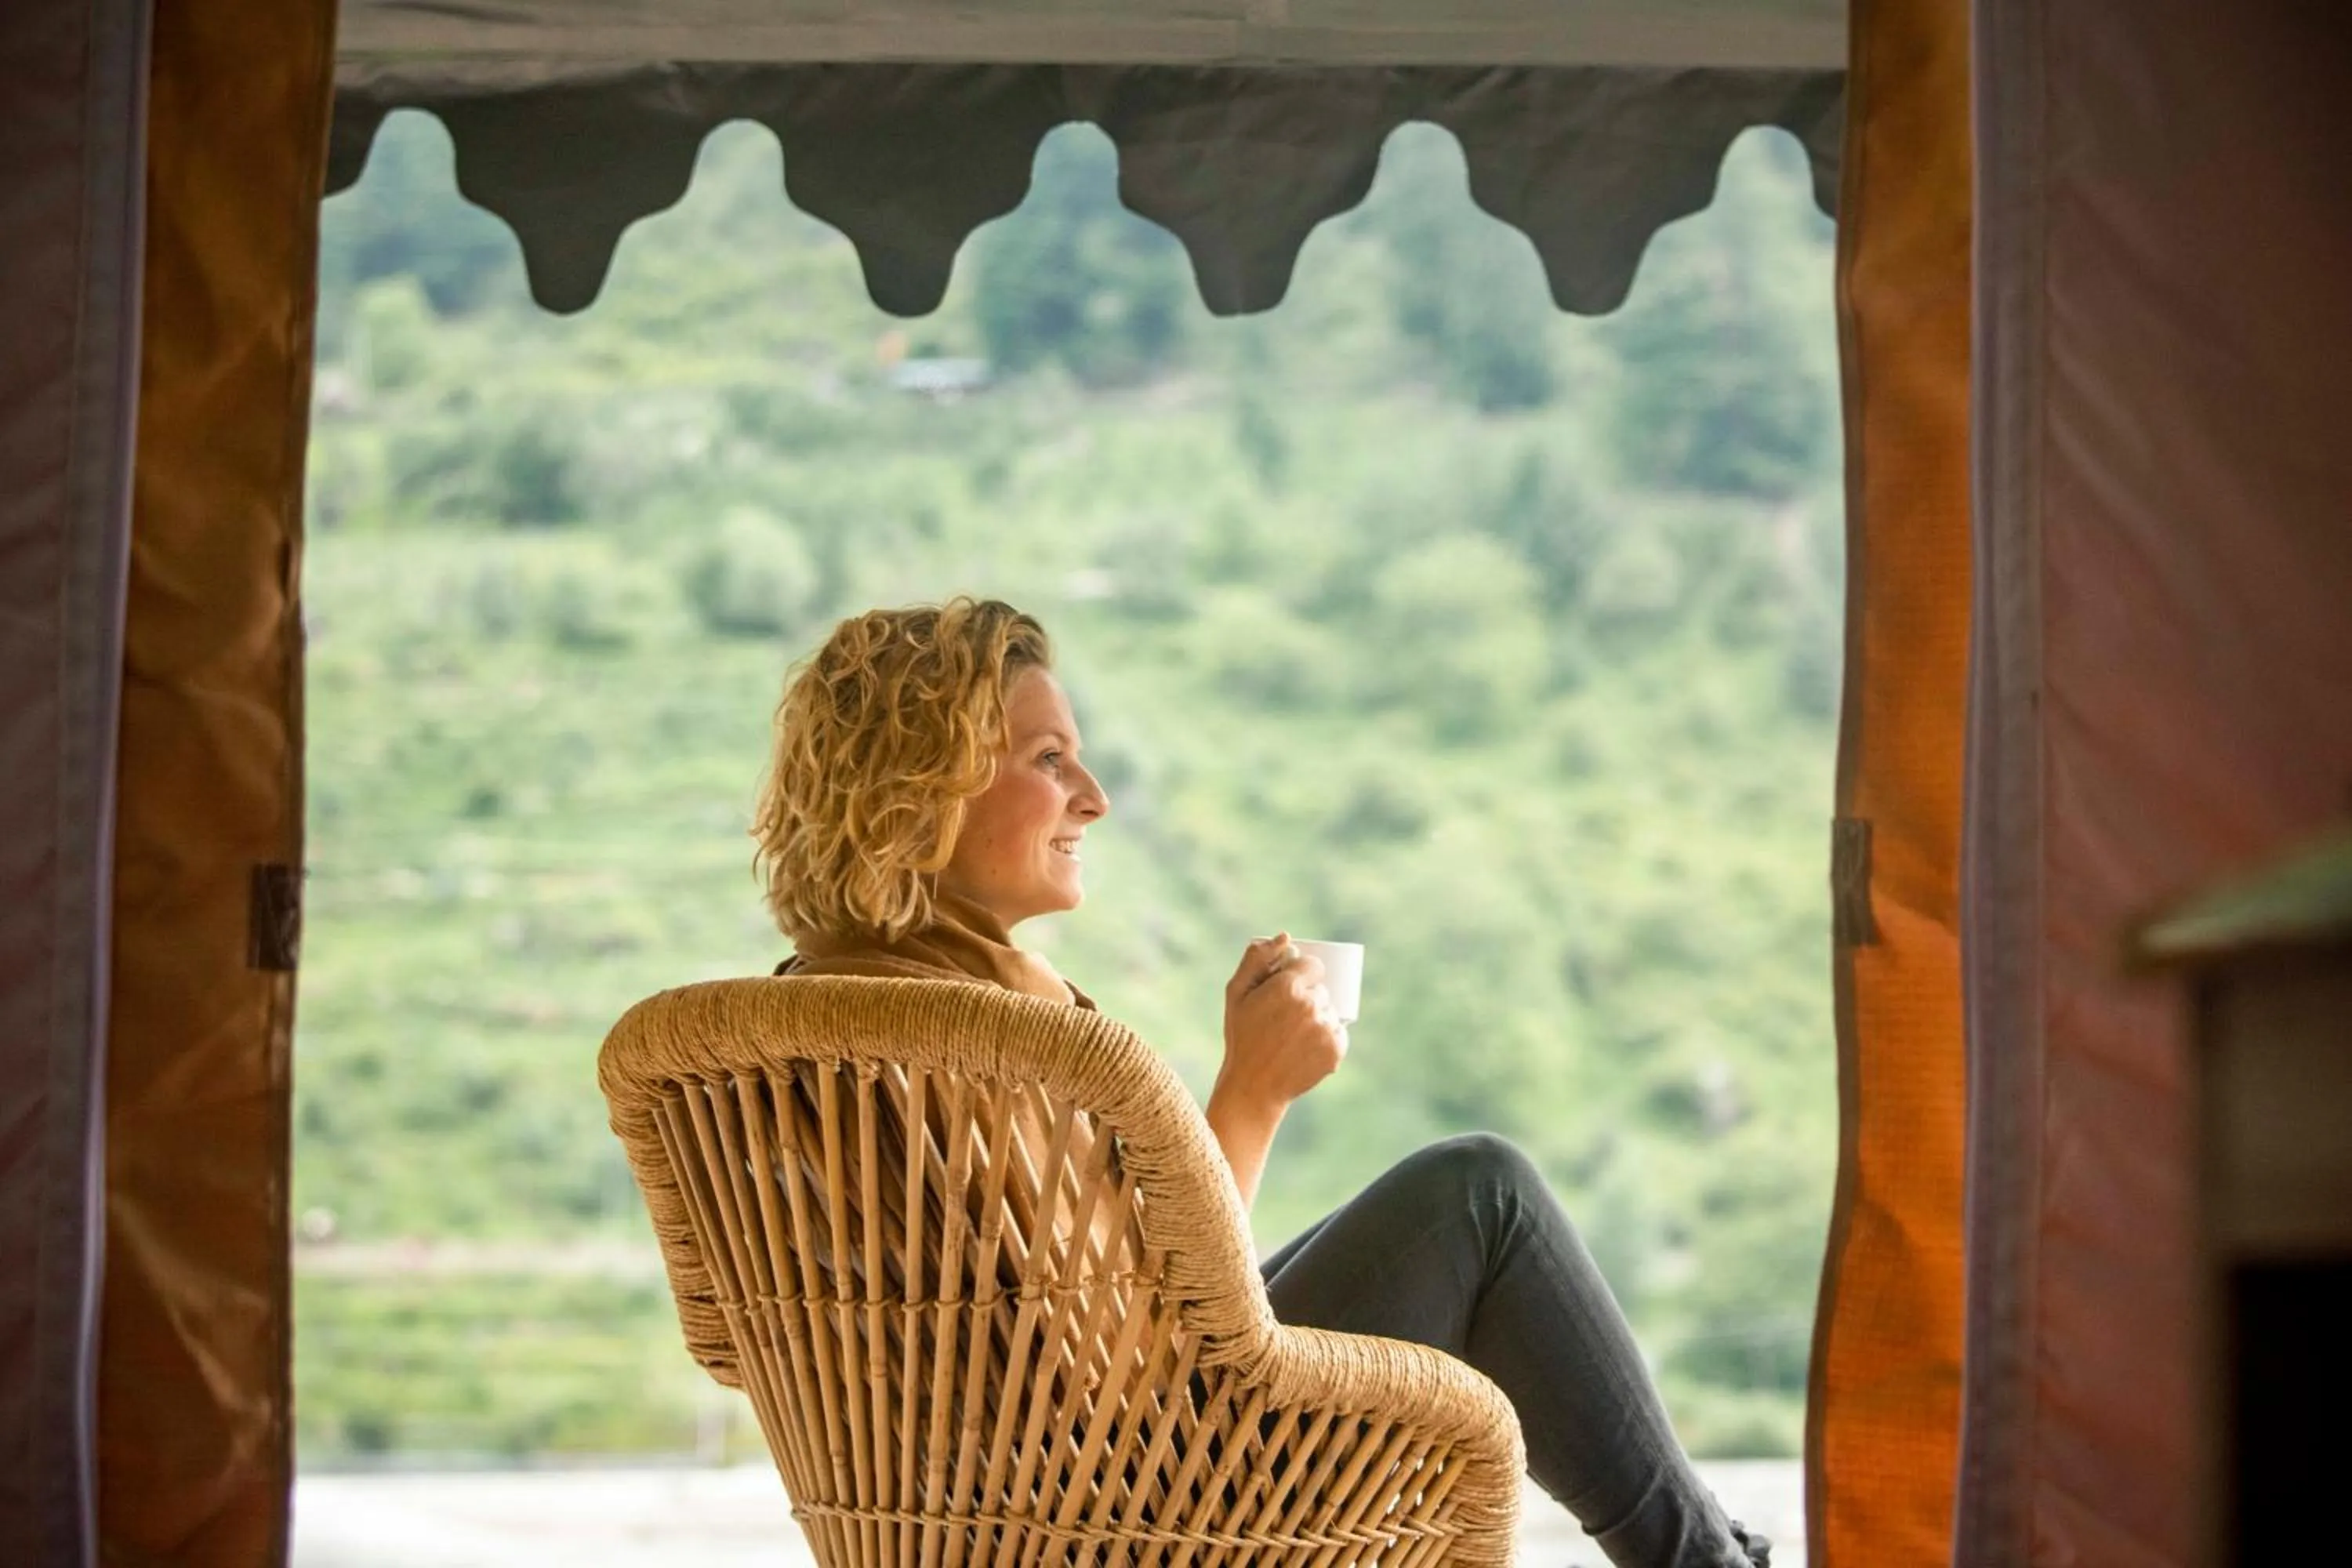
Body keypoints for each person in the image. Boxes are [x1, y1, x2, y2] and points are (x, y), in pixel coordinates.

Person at [753, 597, 1771, 1568]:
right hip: (1142, 1521)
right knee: (1479, 1198)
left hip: (963, 1527)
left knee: (1456, 1213)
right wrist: (1253, 1094)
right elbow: (1130, 1369)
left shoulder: (797, 1023)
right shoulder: (973, 1036)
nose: (1092, 798)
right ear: (922, 785)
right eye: (1048, 758)